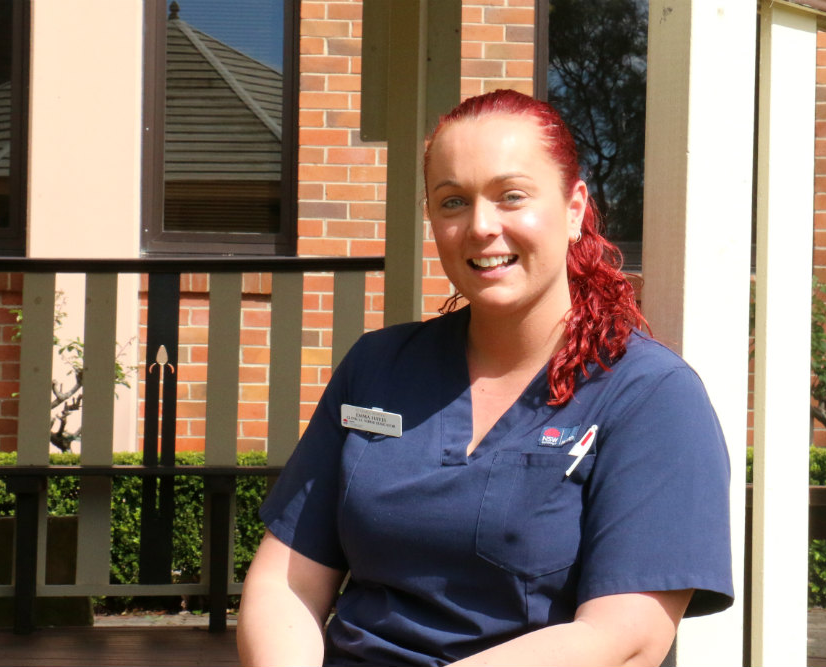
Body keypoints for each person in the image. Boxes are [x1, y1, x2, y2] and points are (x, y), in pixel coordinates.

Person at [237, 89, 733, 667]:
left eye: (511, 196)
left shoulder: (650, 395)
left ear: (575, 209)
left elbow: (626, 637)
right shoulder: (377, 367)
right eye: (452, 202)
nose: (480, 226)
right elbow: (286, 584)